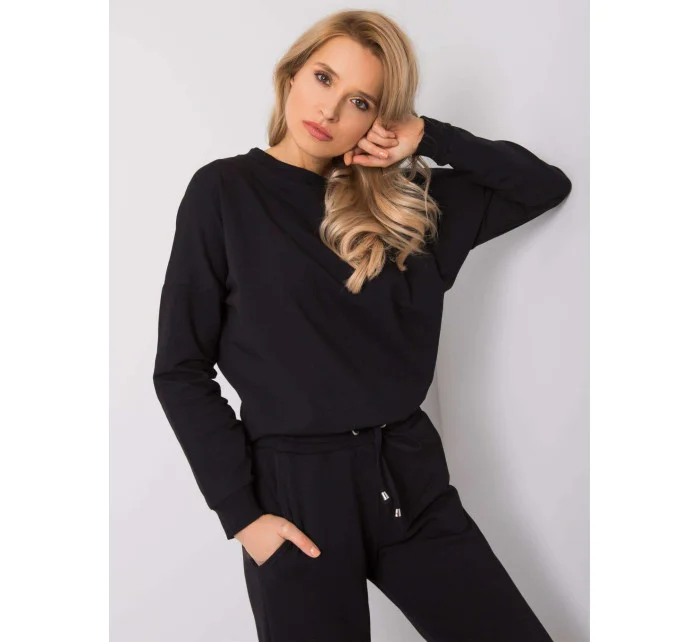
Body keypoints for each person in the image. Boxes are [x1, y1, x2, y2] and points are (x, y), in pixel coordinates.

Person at [153, 9, 572, 642]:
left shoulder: (408, 207)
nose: (329, 109)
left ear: (379, 118)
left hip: (410, 477)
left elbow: (543, 186)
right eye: (323, 78)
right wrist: (242, 515)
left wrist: (429, 136)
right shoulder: (224, 192)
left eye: (360, 101)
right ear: (292, 74)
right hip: (295, 496)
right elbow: (181, 369)